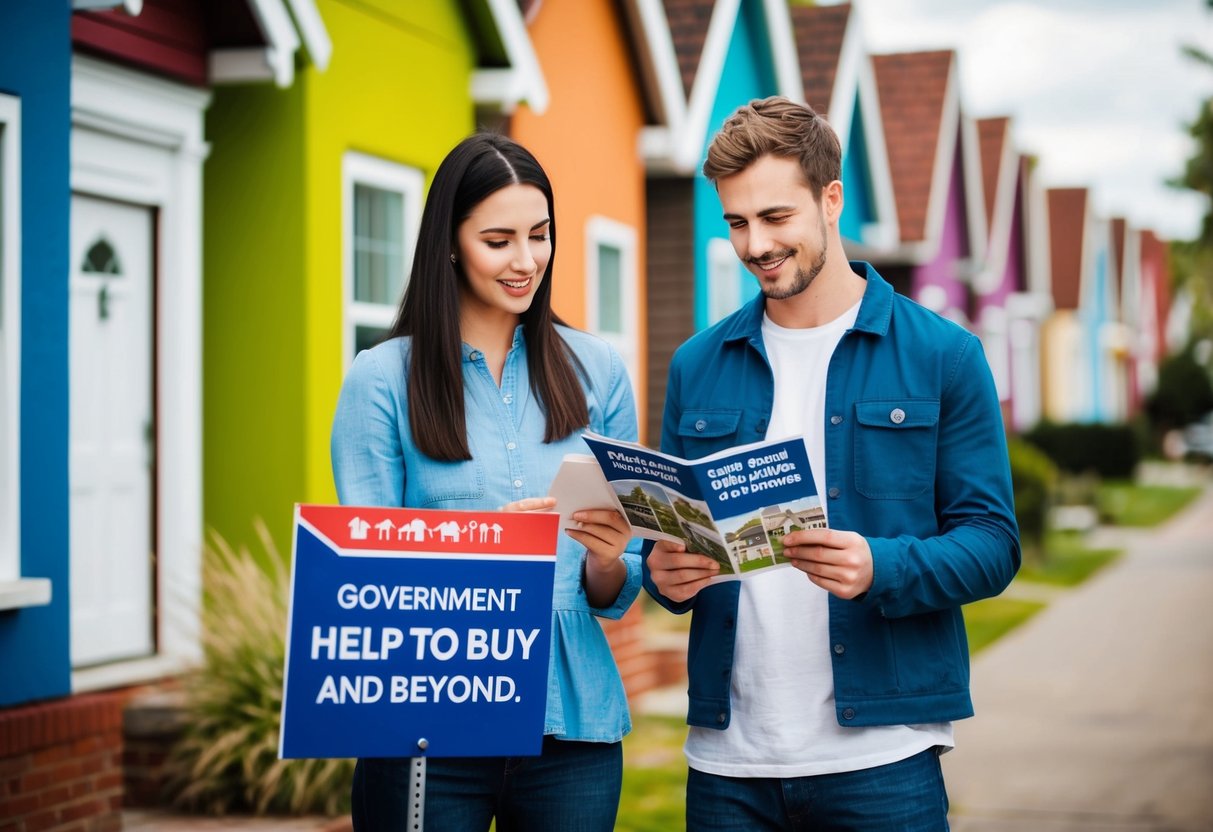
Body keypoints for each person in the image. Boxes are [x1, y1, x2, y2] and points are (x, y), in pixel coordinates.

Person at [643, 96, 1021, 830]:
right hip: (727, 768)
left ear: (830, 198)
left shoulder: (943, 356)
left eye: (775, 217)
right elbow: (675, 540)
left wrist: (881, 566)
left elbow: (993, 545)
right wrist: (664, 575)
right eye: (736, 223)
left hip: (882, 761)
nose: (754, 244)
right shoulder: (697, 364)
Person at [331, 132, 641, 831]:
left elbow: (615, 593)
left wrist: (606, 553)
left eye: (540, 235)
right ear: (449, 242)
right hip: (427, 725)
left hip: (574, 729)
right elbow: (366, 575)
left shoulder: (598, 371)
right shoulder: (381, 380)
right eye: (498, 240)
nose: (525, 260)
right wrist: (493, 547)